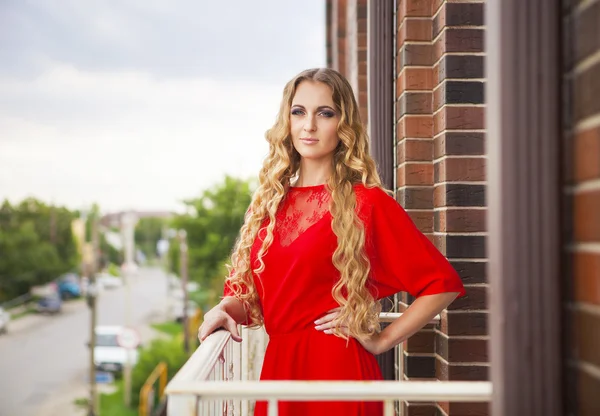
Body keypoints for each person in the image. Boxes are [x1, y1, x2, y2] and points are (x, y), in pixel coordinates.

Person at [198, 68, 466, 416]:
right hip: (280, 372)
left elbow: (441, 283)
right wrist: (222, 310)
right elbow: (251, 299)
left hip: (339, 372)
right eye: (299, 112)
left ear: (343, 126)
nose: (309, 125)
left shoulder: (366, 203)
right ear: (287, 122)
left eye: (324, 113)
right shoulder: (268, 203)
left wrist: (382, 340)